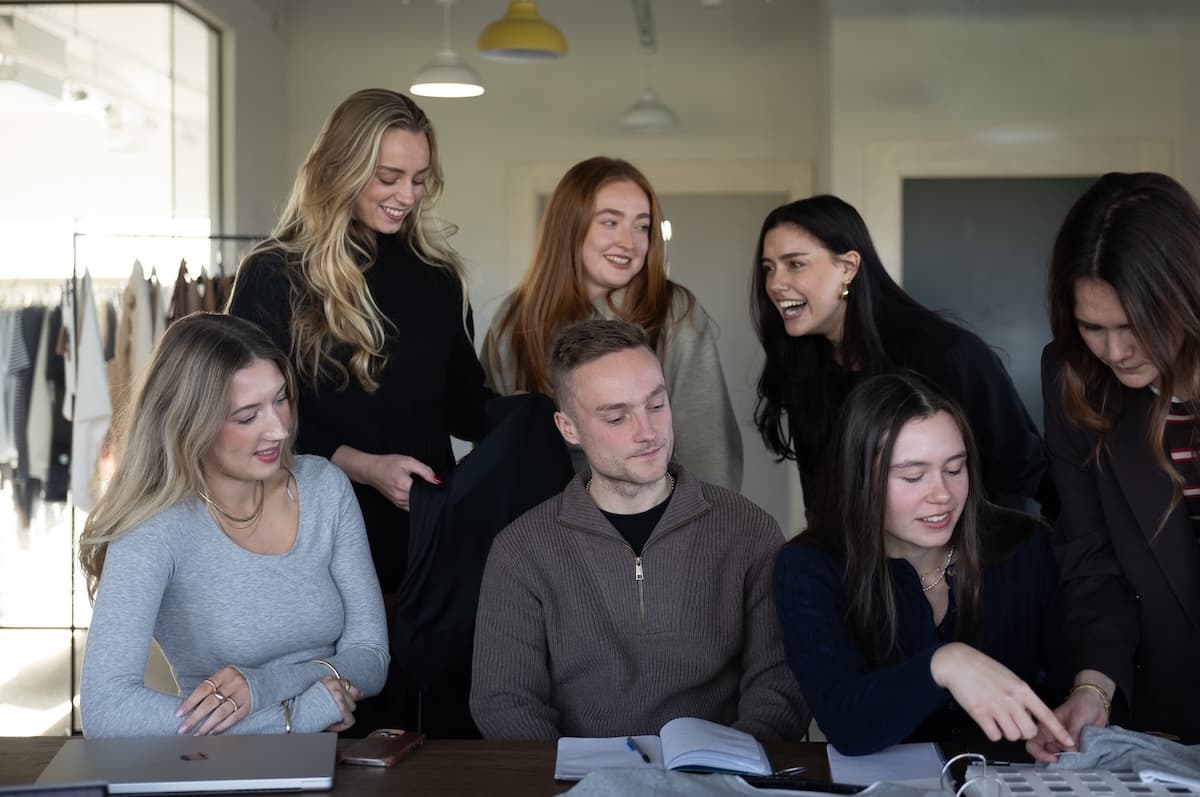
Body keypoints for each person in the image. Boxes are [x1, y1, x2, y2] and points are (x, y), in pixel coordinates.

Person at [470, 319, 809, 741]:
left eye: (656, 405)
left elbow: (780, 682)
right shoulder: (521, 550)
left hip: (722, 768)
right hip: (576, 773)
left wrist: (736, 761)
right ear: (569, 429)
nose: (647, 432)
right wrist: (570, 772)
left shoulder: (748, 530)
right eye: (616, 417)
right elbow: (505, 702)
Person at [228, 88, 493, 596]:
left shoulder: (438, 278)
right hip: (308, 535)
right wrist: (364, 467)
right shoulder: (274, 274)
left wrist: (549, 412)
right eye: (389, 178)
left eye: (419, 179)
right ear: (340, 169)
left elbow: (465, 407)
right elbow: (244, 417)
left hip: (422, 543)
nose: (408, 196)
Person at [79, 313, 388, 738]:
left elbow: (371, 656)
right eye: (247, 417)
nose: (279, 430)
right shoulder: (153, 529)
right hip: (222, 763)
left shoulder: (324, 487)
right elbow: (106, 709)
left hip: (347, 752)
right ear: (190, 423)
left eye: (281, 399)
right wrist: (291, 720)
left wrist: (268, 685)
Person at [773, 371, 1074, 756]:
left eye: (954, 469)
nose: (942, 494)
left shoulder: (1026, 546)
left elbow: (1068, 685)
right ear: (860, 479)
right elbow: (845, 722)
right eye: (914, 476)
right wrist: (944, 663)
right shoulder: (809, 567)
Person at [1028, 172, 1200, 761]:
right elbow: (1092, 555)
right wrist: (1093, 687)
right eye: (1092, 327)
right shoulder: (1074, 376)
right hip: (1164, 716)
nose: (1116, 352)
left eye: (1135, 326)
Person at [751, 195, 1046, 517]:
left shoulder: (949, 354)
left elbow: (1019, 473)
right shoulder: (806, 367)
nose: (775, 284)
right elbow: (822, 506)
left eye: (795, 264)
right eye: (769, 269)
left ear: (848, 267)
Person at [481, 156, 742, 491]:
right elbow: (494, 451)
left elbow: (707, 445)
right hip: (542, 515)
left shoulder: (675, 311)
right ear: (569, 226)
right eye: (610, 222)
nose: (629, 242)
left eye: (642, 226)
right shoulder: (514, 319)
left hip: (658, 515)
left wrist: (705, 519)